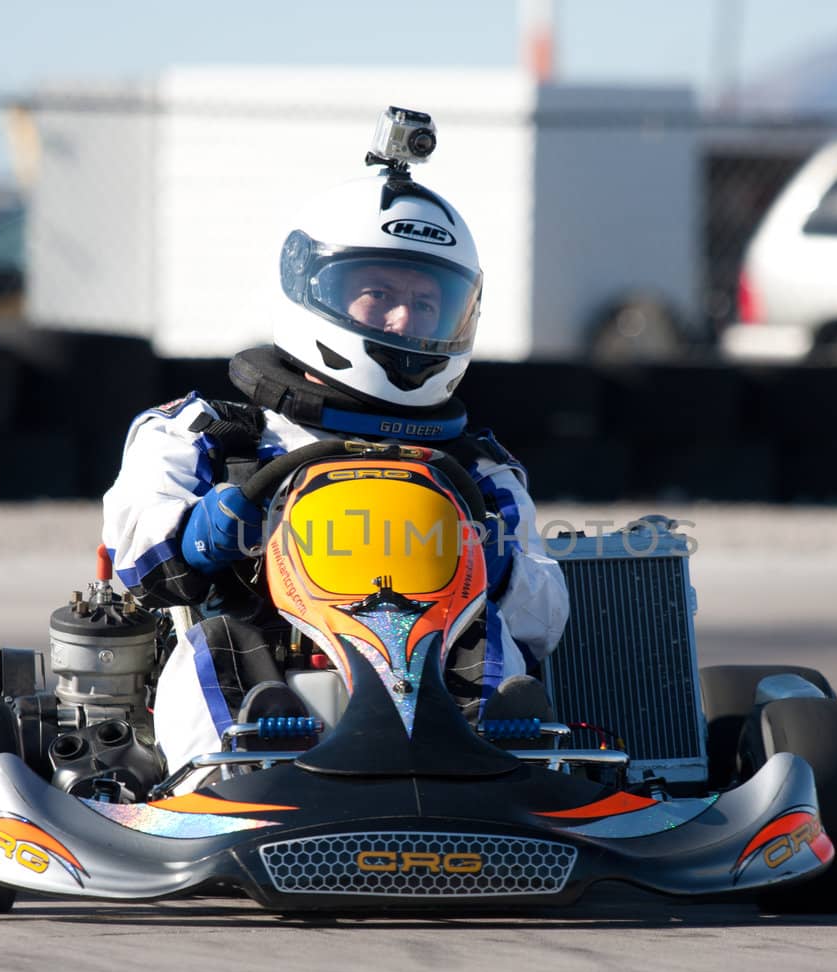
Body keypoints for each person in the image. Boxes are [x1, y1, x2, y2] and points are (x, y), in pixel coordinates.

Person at [102, 140, 569, 784]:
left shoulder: (479, 469)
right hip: (271, 653)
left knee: (490, 644)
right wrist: (197, 537)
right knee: (218, 645)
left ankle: (499, 776)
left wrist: (500, 563)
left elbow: (542, 620)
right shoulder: (208, 434)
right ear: (313, 289)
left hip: (433, 657)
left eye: (428, 302)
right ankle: (234, 780)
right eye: (378, 293)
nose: (405, 317)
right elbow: (136, 557)